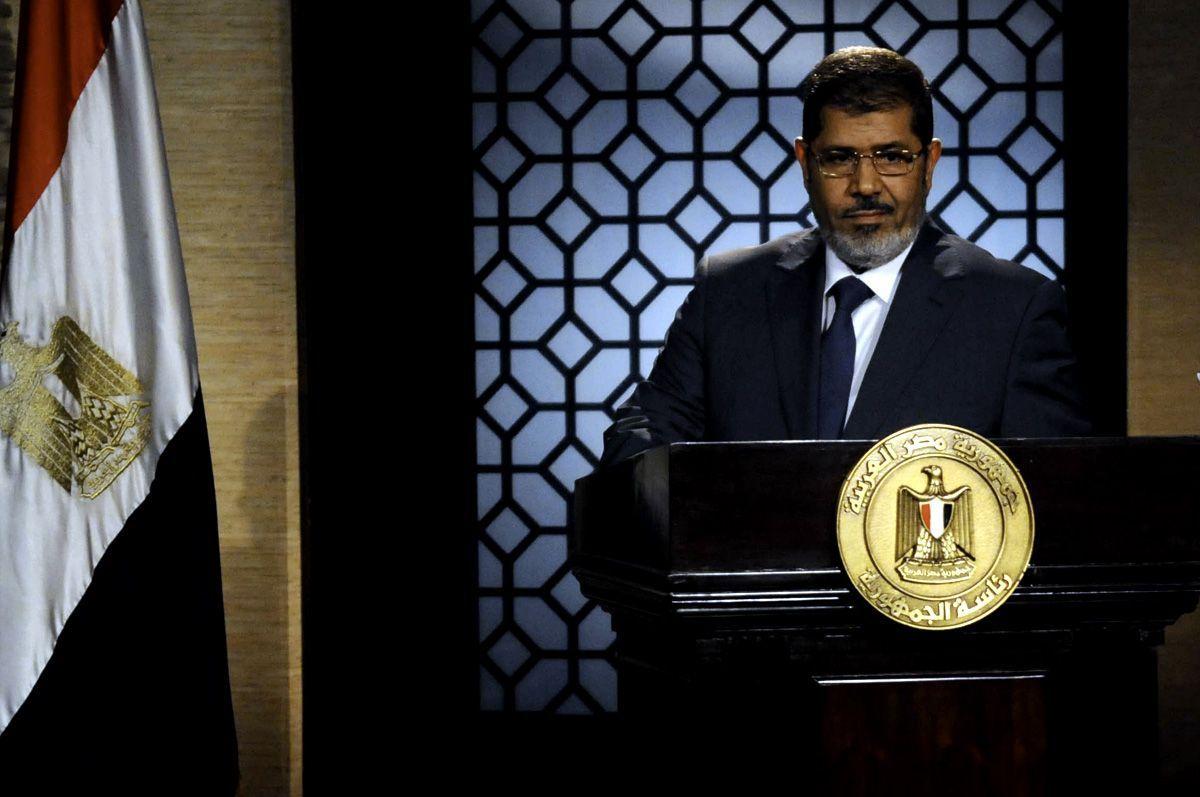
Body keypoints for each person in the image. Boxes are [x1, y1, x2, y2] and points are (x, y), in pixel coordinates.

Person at [600, 46, 1091, 466]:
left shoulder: (1014, 310)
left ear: (930, 163)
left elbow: (1052, 494)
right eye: (839, 158)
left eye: (892, 156)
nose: (866, 185)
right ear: (804, 162)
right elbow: (643, 435)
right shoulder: (730, 289)